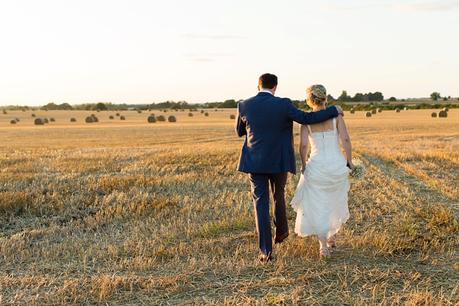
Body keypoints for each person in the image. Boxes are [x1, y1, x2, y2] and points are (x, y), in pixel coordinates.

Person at [235, 74, 343, 262]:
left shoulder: (244, 105)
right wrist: (333, 110)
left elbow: (240, 131)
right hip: (278, 161)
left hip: (255, 162)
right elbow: (306, 118)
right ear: (275, 87)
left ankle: (265, 252)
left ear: (258, 86)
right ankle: (282, 232)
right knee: (279, 195)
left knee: (260, 203)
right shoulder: (284, 104)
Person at [290, 84, 352, 259]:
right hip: (336, 164)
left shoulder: (307, 121)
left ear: (310, 100)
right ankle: (331, 236)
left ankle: (323, 245)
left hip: (317, 165)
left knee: (319, 204)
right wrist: (349, 160)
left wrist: (304, 164)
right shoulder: (336, 117)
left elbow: (303, 146)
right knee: (333, 200)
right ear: (325, 98)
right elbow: (345, 139)